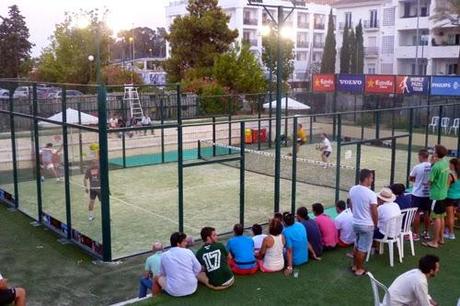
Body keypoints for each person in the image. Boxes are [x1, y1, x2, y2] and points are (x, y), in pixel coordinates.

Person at [153, 232, 201, 298]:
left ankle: (154, 298)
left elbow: (162, 273)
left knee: (156, 277)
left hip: (175, 291)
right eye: (184, 241)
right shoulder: (188, 252)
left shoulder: (164, 255)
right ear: (178, 244)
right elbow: (198, 268)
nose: (186, 243)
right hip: (192, 287)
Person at [349, 169, 378, 276]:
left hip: (355, 223)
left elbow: (351, 205)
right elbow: (374, 211)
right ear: (366, 179)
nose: (372, 180)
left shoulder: (352, 189)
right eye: (371, 177)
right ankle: (360, 269)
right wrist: (375, 224)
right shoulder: (371, 194)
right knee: (363, 248)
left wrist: (356, 215)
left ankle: (354, 266)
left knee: (357, 244)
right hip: (367, 225)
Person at [423, 145, 449, 249]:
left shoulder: (436, 166)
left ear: (437, 154)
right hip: (443, 194)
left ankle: (434, 242)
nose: (432, 152)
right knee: (441, 217)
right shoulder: (445, 162)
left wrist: (425, 183)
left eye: (434, 150)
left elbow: (429, 182)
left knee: (435, 219)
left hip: (435, 195)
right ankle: (441, 239)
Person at [409, 149, 432, 241]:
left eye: (419, 156)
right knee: (427, 213)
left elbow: (410, 178)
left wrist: (417, 181)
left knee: (416, 214)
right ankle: (426, 233)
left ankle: (416, 234)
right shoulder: (432, 166)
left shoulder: (417, 167)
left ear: (421, 156)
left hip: (417, 194)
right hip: (428, 194)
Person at [444, 158, 460, 240]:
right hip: (457, 198)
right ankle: (447, 230)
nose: (448, 165)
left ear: (453, 165)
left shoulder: (451, 175)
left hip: (450, 197)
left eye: (449, 164)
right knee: (451, 215)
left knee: (450, 216)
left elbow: (446, 188)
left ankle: (451, 233)